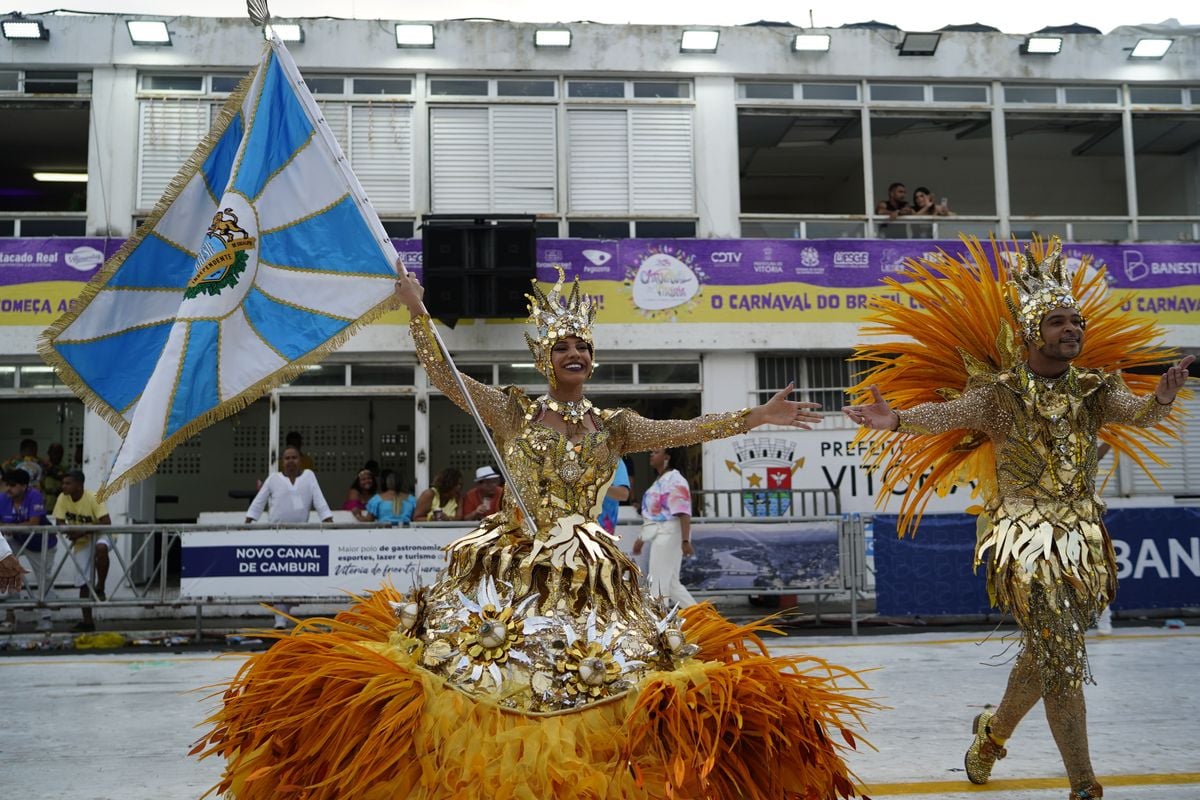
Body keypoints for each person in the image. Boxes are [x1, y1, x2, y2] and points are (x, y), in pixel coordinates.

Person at [196, 267, 873, 799]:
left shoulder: (617, 427)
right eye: (563, 345)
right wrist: (415, 308)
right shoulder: (515, 412)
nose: (574, 351)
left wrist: (758, 418)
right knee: (483, 680)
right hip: (513, 569)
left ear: (593, 359)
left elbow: (688, 428)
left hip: (590, 577)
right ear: (545, 358)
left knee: (622, 679)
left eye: (583, 344)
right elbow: (445, 378)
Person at [842, 237, 1192, 800]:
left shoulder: (1096, 389)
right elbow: (946, 413)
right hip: (1026, 539)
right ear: (1033, 331)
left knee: (1051, 648)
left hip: (1083, 538)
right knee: (1062, 656)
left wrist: (1163, 400)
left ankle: (992, 733)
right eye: (1058, 321)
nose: (1072, 329)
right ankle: (1084, 784)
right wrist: (896, 420)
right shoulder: (1001, 395)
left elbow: (1140, 416)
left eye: (1076, 320)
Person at [245, 445, 334, 628]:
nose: (290, 461)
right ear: (282, 462)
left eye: (294, 457)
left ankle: (284, 616)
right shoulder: (273, 479)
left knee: (294, 577)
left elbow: (320, 502)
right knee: (278, 577)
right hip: (276, 536)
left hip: (301, 536)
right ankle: (280, 619)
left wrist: (329, 522)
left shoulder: (309, 476)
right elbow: (258, 503)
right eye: (287, 458)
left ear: (299, 460)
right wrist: (247, 524)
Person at [632, 448, 696, 607]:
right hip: (662, 534)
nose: (651, 454)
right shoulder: (662, 480)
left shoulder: (675, 479)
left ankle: (659, 627)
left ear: (667, 457)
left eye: (656, 452)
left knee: (658, 584)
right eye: (651, 452)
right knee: (672, 585)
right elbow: (654, 515)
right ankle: (709, 622)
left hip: (670, 533)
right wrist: (642, 537)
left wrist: (685, 540)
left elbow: (683, 512)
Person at [52, 469, 112, 633]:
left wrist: (81, 531)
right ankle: (87, 621)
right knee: (83, 580)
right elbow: (59, 521)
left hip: (101, 535)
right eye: (63, 483)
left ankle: (100, 587)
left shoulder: (93, 497)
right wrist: (68, 530)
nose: (63, 486)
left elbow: (106, 522)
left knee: (101, 548)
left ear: (79, 485)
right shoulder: (62, 498)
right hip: (82, 541)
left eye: (67, 483)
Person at [0, 469, 54, 633]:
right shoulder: (3, 498)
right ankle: (10, 617)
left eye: (13, 485)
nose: (9, 488)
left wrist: (9, 527)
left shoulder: (34, 495)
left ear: (24, 486)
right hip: (18, 540)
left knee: (43, 579)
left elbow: (34, 522)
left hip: (41, 542)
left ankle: (45, 619)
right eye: (7, 484)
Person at [596, 456, 630, 534]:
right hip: (573, 530)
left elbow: (623, 494)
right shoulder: (573, 459)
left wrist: (597, 486)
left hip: (602, 532)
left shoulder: (614, 461)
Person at [40, 442, 67, 517]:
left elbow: (62, 476)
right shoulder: (41, 466)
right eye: (55, 453)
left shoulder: (64, 467)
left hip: (60, 503)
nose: (58, 456)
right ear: (49, 453)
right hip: (45, 502)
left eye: (60, 453)